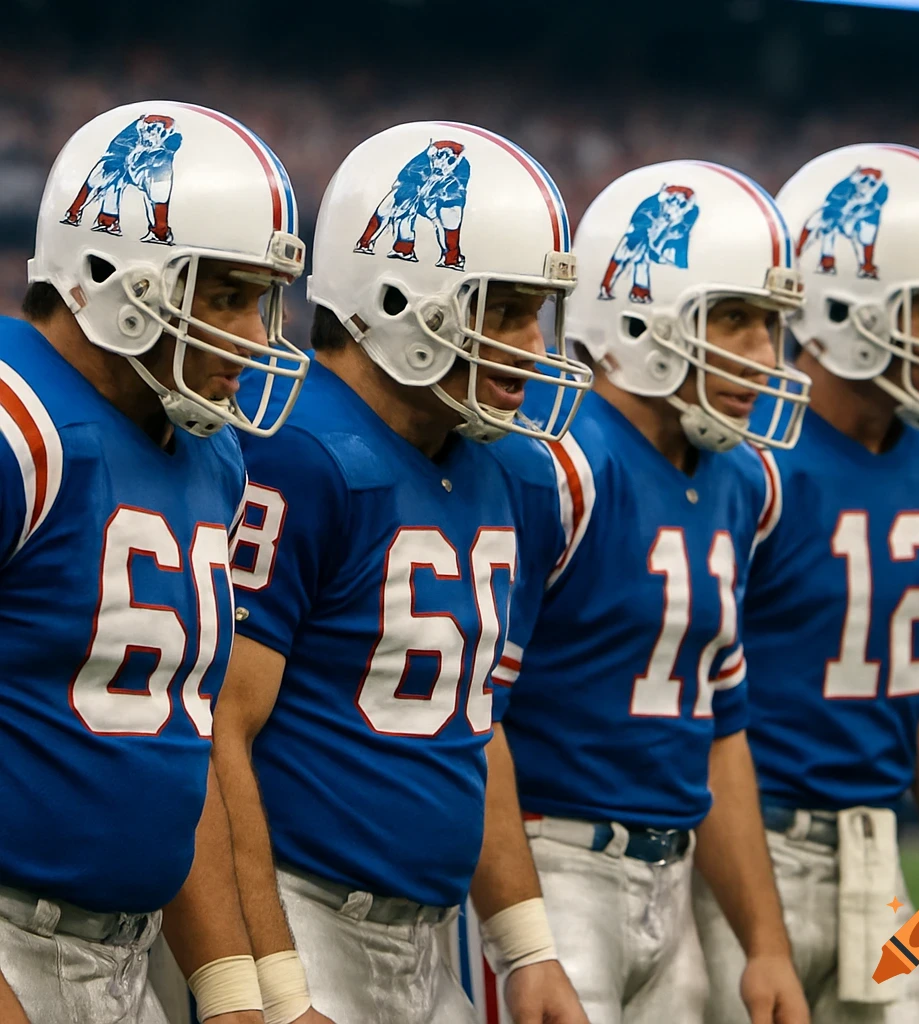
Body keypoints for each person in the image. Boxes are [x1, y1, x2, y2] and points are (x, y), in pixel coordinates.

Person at [214, 121, 594, 1024]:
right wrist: (272, 980)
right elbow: (215, 734)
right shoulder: (298, 453)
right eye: (503, 310)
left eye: (536, 313)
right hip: (305, 916)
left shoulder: (515, 471)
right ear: (397, 298)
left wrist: (528, 946)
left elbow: (474, 721)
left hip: (434, 941)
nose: (533, 347)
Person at [459, 159, 814, 1024]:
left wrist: (765, 944)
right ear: (639, 312)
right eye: (733, 320)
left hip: (673, 874)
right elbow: (470, 718)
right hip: (552, 863)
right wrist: (524, 935)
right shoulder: (558, 467)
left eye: (770, 326)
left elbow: (720, 730)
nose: (765, 357)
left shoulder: (741, 480)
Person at [693, 143, 919, 1024]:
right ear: (845, 303)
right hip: (744, 854)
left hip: (883, 868)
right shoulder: (745, 457)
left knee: (913, 1004)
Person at [0, 101, 308, 1024]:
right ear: (112, 278)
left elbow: (174, 746)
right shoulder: (19, 429)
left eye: (258, 300)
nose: (254, 337)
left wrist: (230, 990)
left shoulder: (211, 454)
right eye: (223, 297)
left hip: (126, 964)